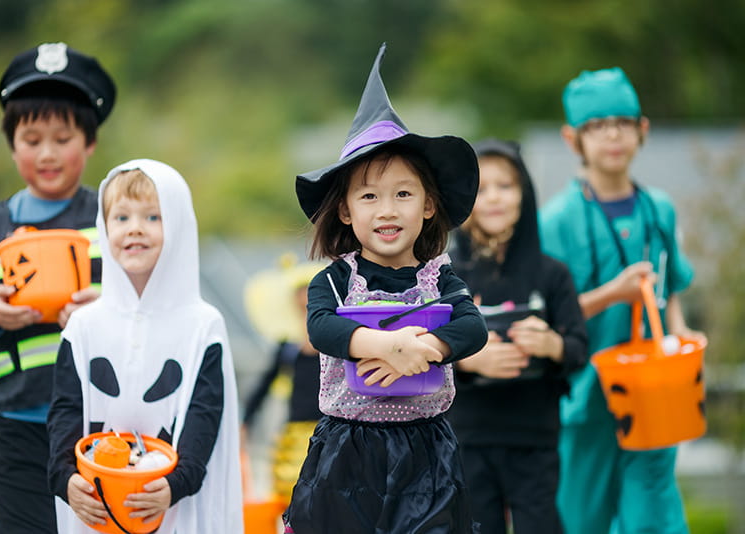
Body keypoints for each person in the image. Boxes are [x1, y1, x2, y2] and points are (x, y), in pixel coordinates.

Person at [284, 43, 487, 534]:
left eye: (403, 193)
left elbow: (472, 327)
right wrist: (385, 345)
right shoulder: (333, 281)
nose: (388, 209)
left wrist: (431, 347)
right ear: (347, 211)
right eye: (369, 196)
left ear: (429, 206)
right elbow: (321, 327)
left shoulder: (441, 279)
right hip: (346, 453)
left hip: (426, 453)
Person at [0, 42, 114, 533]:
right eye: (31, 138)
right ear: (12, 143)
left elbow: (147, 303)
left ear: (89, 144)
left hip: (97, 422)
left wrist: (104, 308)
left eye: (62, 138)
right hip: (15, 425)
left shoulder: (113, 218)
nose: (46, 153)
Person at [539, 67, 706, 534]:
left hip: (656, 392)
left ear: (642, 130)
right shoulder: (556, 221)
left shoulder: (660, 209)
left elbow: (669, 288)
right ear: (573, 139)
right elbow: (550, 316)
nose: (612, 135)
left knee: (654, 514)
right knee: (579, 518)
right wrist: (615, 294)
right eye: (597, 126)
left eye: (623, 122)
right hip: (584, 395)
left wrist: (681, 333)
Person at [47, 159, 243, 533]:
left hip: (173, 505)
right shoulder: (84, 325)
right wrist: (64, 476)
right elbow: (65, 409)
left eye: (153, 217)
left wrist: (175, 484)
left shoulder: (202, 326)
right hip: (98, 505)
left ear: (180, 226)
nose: (135, 229)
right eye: (121, 218)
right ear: (104, 228)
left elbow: (205, 414)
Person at [447, 139, 588, 534]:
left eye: (506, 186)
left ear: (525, 193)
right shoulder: (446, 276)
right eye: (481, 188)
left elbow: (579, 348)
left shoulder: (552, 274)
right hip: (468, 437)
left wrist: (552, 344)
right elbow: (424, 349)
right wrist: (468, 358)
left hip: (535, 438)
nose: (494, 198)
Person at [241, 256, 325, 502]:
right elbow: (264, 386)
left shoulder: (336, 345)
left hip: (329, 429)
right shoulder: (288, 347)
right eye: (301, 298)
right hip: (294, 432)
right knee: (292, 495)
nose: (305, 303)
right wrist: (246, 420)